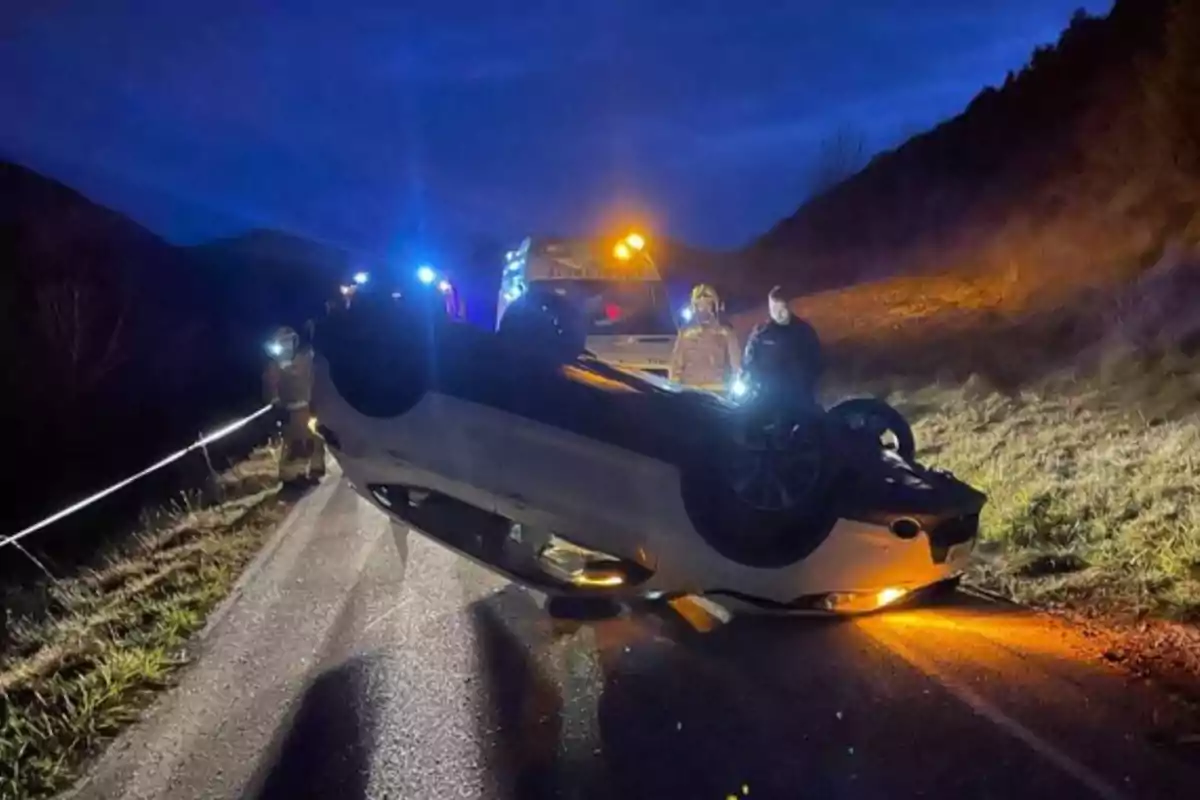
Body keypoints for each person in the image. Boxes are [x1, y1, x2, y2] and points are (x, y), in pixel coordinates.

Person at [741, 285, 824, 412]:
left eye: (782, 309)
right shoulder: (761, 332)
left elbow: (816, 361)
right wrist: (753, 380)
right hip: (767, 398)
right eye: (773, 309)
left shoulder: (804, 332)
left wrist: (804, 383)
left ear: (790, 307)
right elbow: (749, 360)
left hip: (798, 398)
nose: (778, 314)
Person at [263, 325, 326, 486]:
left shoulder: (305, 358)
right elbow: (271, 386)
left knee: (315, 439)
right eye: (282, 342)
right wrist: (275, 403)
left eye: (288, 341)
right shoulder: (274, 365)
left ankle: (315, 470)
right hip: (290, 411)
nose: (285, 345)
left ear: (294, 341)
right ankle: (291, 477)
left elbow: (315, 376)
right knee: (294, 445)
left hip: (309, 407)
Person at [669, 284, 741, 393]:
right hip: (690, 391)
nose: (703, 309)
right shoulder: (685, 334)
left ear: (714, 306)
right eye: (699, 305)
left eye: (708, 304)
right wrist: (674, 386)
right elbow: (676, 364)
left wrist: (734, 384)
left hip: (717, 391)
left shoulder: (725, 333)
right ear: (694, 307)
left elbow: (736, 365)